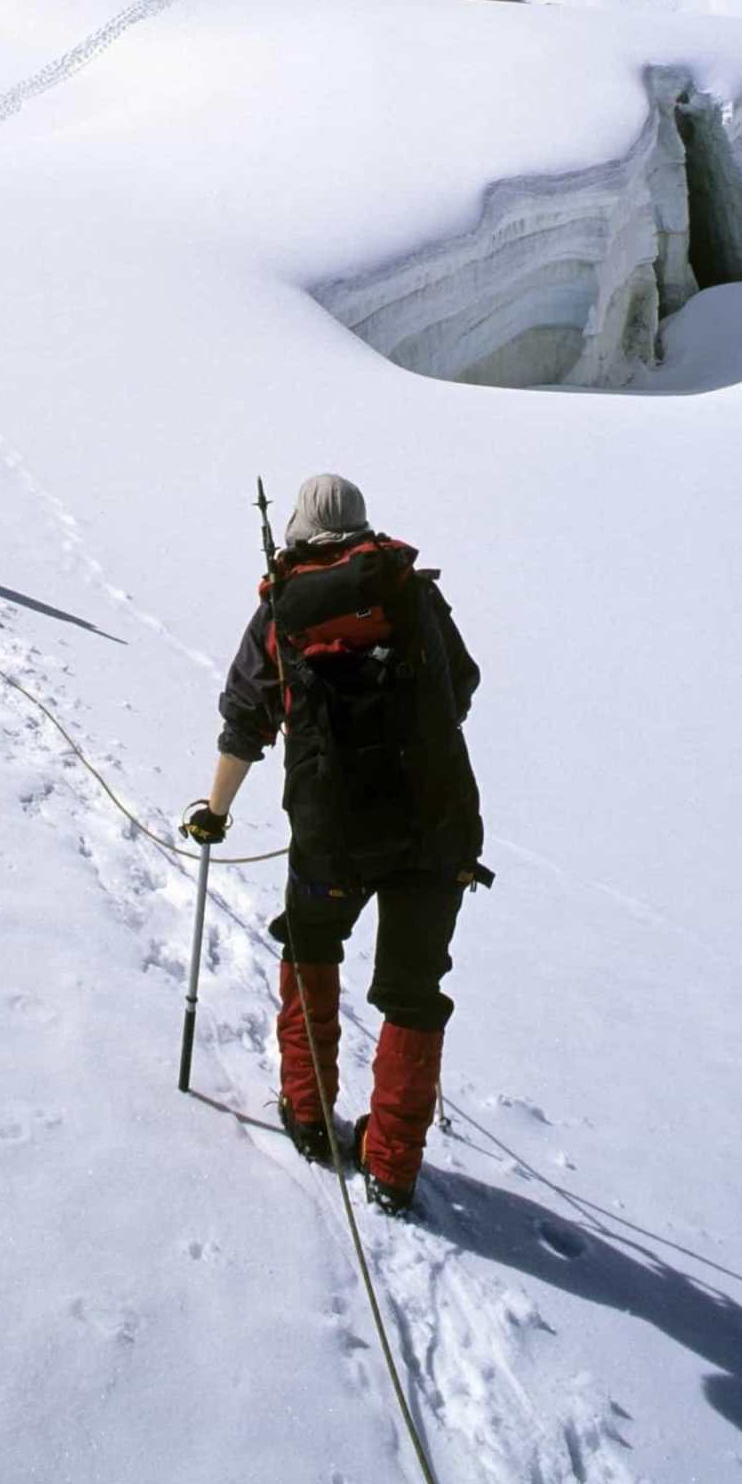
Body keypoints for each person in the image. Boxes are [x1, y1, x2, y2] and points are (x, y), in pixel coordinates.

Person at [184, 473, 482, 1214]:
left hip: (333, 829)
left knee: (312, 949)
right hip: (438, 822)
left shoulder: (284, 610)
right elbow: (464, 685)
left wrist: (213, 811)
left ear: (298, 527)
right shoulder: (414, 593)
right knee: (414, 991)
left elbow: (246, 719)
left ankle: (310, 1115)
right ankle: (393, 1167)